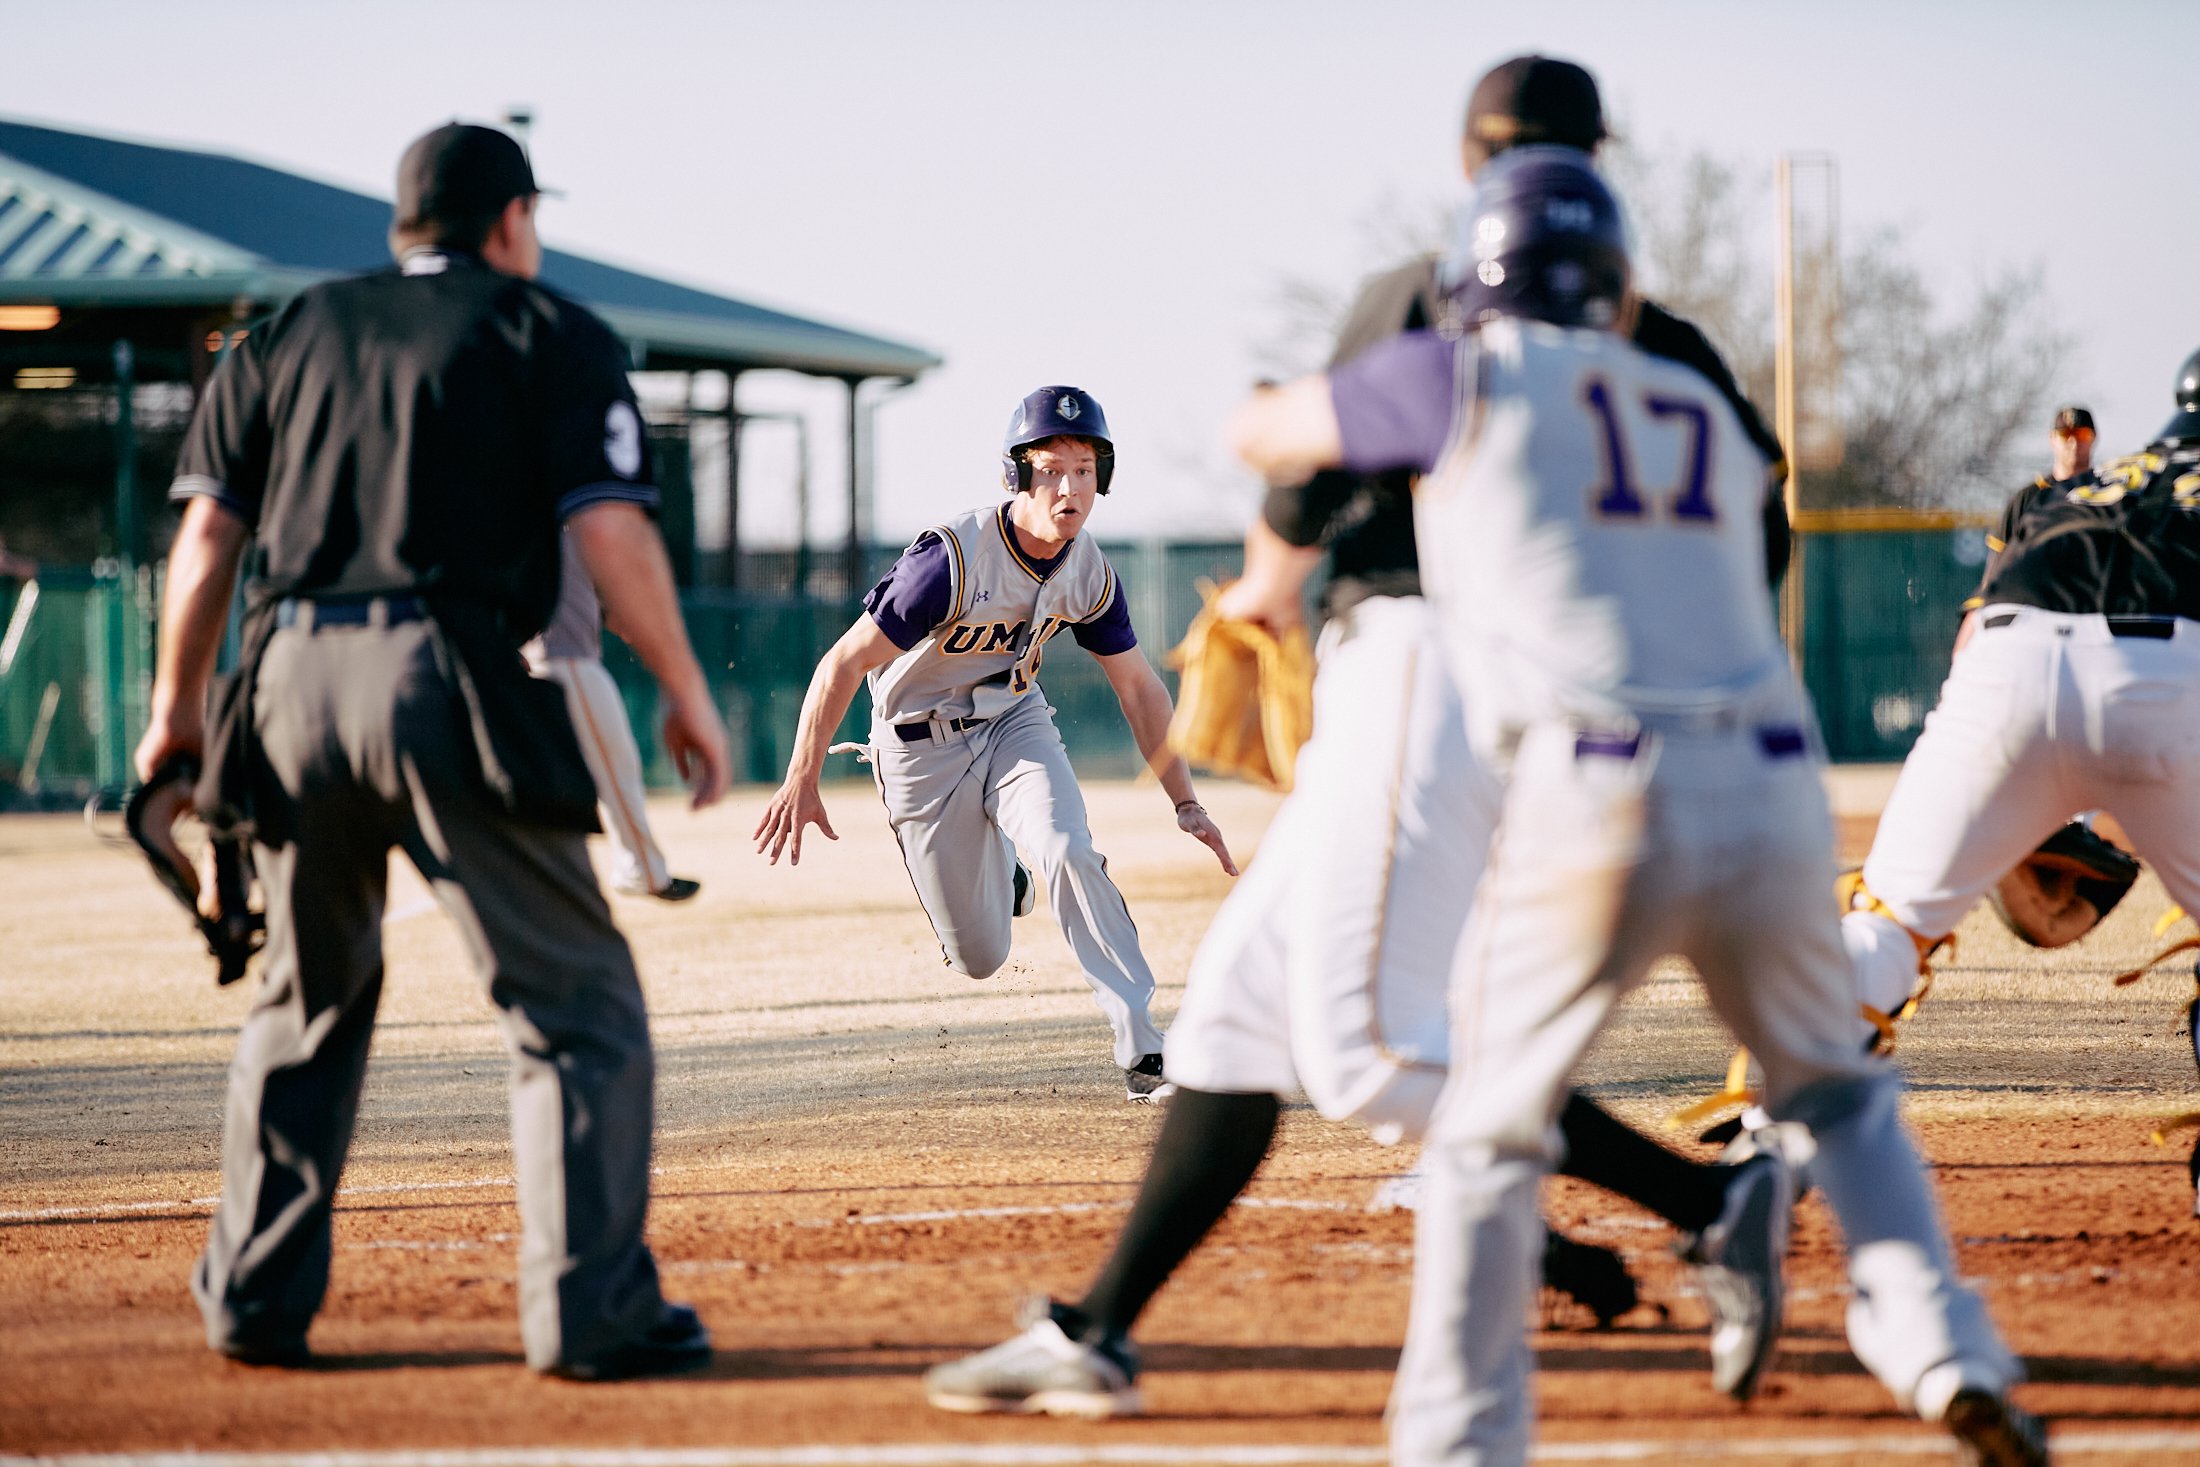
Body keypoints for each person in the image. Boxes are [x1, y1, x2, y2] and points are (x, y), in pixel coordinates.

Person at [921, 56, 1791, 1422]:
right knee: (1236, 1016)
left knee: (1367, 1047)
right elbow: (1767, 532)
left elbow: (1305, 479)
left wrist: (1265, 591)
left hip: (1427, 671)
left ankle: (1715, 1195)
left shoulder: (1432, 292)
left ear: (1468, 161)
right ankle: (1097, 1330)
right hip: (1573, 704)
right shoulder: (1665, 339)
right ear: (1600, 163)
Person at [1230, 149, 2041, 1466]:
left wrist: (1310, 398)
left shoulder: (1462, 369)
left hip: (1599, 783)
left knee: (1491, 1123)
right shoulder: (1702, 409)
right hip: (1777, 785)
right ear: (1616, 292)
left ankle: (1458, 1438)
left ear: (1473, 284)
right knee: (1837, 1094)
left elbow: (1268, 436)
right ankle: (1948, 1345)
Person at [134, 122, 730, 1380]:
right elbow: (611, 529)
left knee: (304, 1000)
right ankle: (591, 1312)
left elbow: (204, 544)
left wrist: (176, 715)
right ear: (509, 220)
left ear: (401, 224)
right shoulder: (548, 328)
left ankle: (252, 1297)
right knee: (575, 1006)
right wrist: (684, 688)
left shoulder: (284, 333)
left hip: (285, 677)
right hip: (444, 674)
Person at [753, 386, 1235, 1100]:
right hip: (919, 746)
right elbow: (843, 663)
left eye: (1084, 467)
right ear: (1015, 475)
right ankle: (1004, 869)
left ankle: (1142, 1046)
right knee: (979, 955)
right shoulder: (950, 559)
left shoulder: (1089, 568)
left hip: (1013, 721)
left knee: (1069, 848)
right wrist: (802, 775)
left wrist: (1185, 800)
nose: (1068, 486)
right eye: (1050, 468)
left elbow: (1139, 687)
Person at [1843, 350, 2200, 1220]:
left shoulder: (2094, 487)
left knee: (1889, 923)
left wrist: (2002, 783)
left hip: (2003, 668)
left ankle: (1763, 1145)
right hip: (2167, 667)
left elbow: (1974, 648)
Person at [525, 530, 702, 902]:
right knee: (615, 769)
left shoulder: (545, 515)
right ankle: (643, 870)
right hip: (563, 662)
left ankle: (633, 867)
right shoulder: (555, 512)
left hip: (548, 661)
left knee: (574, 777)